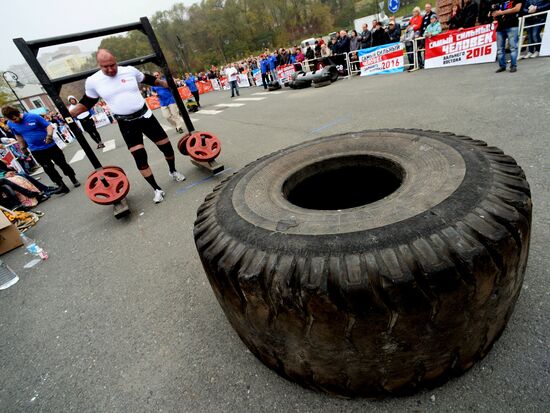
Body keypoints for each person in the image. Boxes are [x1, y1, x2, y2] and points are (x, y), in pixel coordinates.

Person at [69, 49, 186, 204]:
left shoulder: (129, 71)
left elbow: (149, 79)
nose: (110, 69)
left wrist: (167, 84)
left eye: (112, 65)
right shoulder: (93, 81)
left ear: (116, 60)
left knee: (166, 147)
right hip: (126, 123)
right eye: (105, 67)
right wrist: (71, 114)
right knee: (140, 157)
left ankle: (173, 170)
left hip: (146, 117)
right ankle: (156, 189)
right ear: (99, 65)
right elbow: (88, 102)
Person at [2, 106, 78, 194]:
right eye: (11, 120)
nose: (14, 121)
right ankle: (62, 186)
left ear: (17, 114)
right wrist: (23, 148)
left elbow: (49, 126)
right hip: (36, 150)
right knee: (48, 169)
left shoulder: (33, 116)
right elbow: (18, 136)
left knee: (62, 164)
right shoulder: (11, 123)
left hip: (50, 147)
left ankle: (73, 179)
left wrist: (49, 136)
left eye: (15, 118)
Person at [492, 0, 523, 73]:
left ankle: (513, 66)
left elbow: (517, 8)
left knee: (513, 47)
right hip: (500, 26)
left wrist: (501, 12)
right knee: (500, 49)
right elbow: (497, 12)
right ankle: (502, 66)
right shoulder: (500, 1)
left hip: (512, 25)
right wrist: (494, 15)